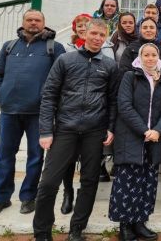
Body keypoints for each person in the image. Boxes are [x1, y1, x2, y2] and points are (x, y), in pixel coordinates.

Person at [33, 19, 118, 241]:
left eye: (102, 35)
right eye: (94, 33)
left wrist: (110, 127)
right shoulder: (65, 60)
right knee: (49, 183)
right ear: (85, 33)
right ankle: (42, 233)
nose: (98, 38)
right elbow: (49, 95)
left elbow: (112, 100)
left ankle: (76, 229)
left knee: (89, 181)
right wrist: (45, 131)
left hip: (94, 131)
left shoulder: (109, 66)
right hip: (65, 129)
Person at [0, 10, 65, 217]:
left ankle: (28, 197)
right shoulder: (9, 47)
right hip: (9, 111)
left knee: (35, 156)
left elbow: (62, 78)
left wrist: (50, 103)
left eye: (37, 20)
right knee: (5, 155)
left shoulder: (54, 48)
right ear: (23, 22)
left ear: (44, 23)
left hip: (39, 113)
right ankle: (1, 197)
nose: (33, 23)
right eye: (29, 20)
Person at [110, 43, 161, 241]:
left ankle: (140, 222)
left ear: (158, 57)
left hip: (153, 139)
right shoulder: (131, 77)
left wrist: (158, 130)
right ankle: (125, 225)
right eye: (146, 55)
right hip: (132, 137)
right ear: (140, 57)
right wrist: (145, 130)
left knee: (148, 182)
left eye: (153, 55)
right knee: (127, 182)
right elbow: (124, 106)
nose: (150, 58)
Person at [60, 13, 115, 214]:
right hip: (69, 117)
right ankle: (67, 192)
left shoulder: (106, 50)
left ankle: (82, 204)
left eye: (87, 25)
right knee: (67, 161)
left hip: (94, 117)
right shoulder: (67, 50)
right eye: (81, 26)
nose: (83, 29)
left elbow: (111, 85)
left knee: (89, 164)